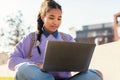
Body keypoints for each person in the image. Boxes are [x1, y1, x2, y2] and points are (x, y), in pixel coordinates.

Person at [8, 0, 103, 80]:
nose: (55, 22)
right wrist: (36, 64)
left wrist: (81, 67)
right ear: (42, 17)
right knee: (22, 69)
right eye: (51, 18)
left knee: (94, 75)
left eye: (59, 18)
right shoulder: (31, 38)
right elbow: (12, 61)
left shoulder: (67, 38)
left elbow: (77, 64)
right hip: (39, 78)